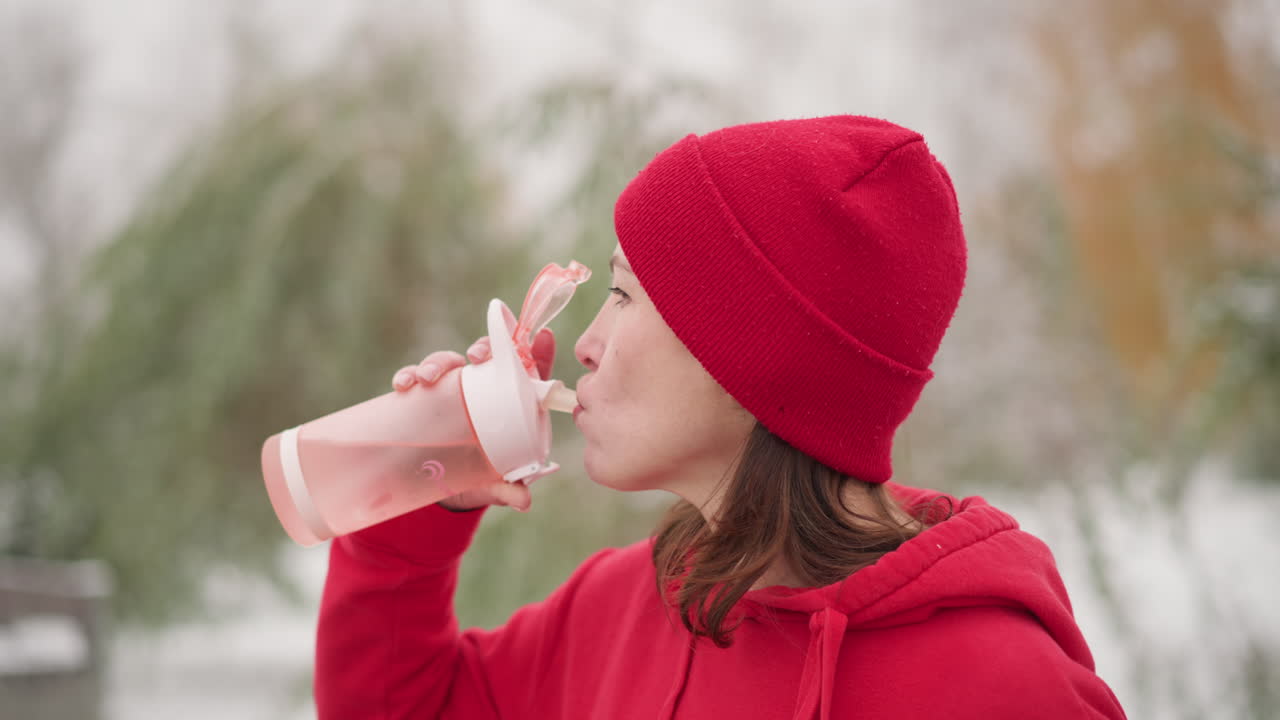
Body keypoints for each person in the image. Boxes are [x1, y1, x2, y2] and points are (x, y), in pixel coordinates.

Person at [315, 115, 1127, 719]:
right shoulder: (634, 603)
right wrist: (415, 499)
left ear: (751, 355)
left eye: (625, 295)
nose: (585, 344)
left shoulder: (999, 689)